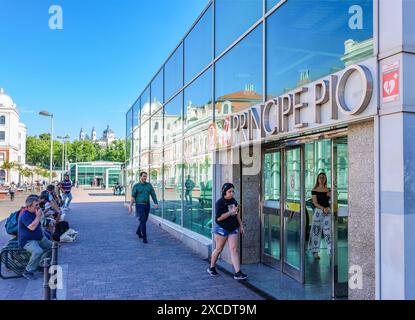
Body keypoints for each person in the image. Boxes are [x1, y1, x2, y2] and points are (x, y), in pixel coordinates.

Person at [208, 183, 247, 280]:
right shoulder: (219, 203)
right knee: (218, 249)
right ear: (224, 191)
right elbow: (219, 218)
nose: (232, 193)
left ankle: (237, 273)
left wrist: (241, 225)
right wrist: (230, 212)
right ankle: (211, 267)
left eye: (233, 191)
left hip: (233, 228)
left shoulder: (233, 200)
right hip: (222, 228)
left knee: (234, 249)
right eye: (230, 191)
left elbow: (236, 214)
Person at [18, 195, 52, 280]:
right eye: (36, 205)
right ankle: (28, 271)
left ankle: (40, 264)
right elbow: (32, 227)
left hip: (39, 238)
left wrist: (43, 235)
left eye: (38, 204)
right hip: (27, 241)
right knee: (38, 251)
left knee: (52, 247)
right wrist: (38, 216)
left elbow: (40, 226)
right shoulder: (24, 215)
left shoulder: (35, 213)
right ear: (29, 207)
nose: (38, 206)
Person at [128, 172, 158, 244]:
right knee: (143, 220)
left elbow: (153, 194)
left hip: (147, 205)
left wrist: (156, 202)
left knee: (144, 220)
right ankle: (144, 238)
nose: (145, 178)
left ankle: (138, 231)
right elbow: (133, 197)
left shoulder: (149, 185)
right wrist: (130, 206)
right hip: (139, 205)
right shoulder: (136, 186)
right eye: (144, 176)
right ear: (140, 177)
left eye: (146, 176)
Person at [308, 172, 332, 260]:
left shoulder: (328, 189)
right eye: (320, 177)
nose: (322, 179)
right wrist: (323, 208)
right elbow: (315, 203)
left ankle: (330, 251)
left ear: (325, 179)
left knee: (328, 231)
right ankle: (315, 252)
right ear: (318, 179)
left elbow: (331, 200)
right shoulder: (314, 190)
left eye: (323, 178)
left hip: (327, 212)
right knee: (315, 232)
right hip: (318, 211)